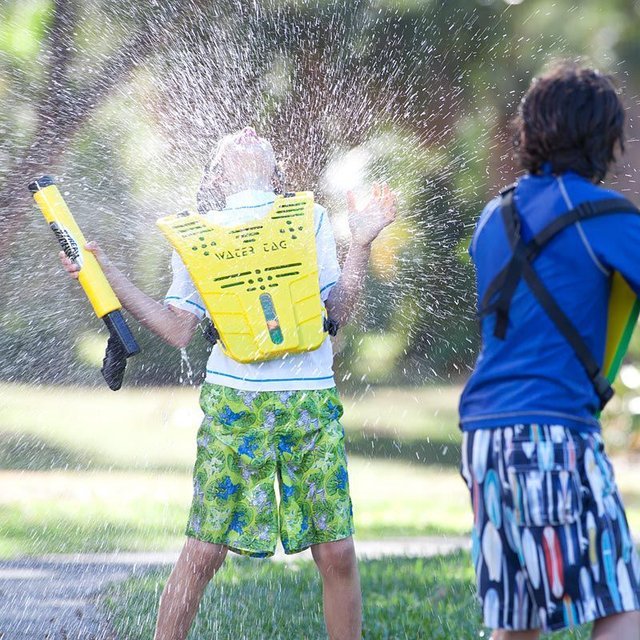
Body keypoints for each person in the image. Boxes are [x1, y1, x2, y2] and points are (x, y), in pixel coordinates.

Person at [60, 126, 396, 640]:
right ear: (216, 177)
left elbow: (337, 311)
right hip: (234, 403)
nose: (246, 131)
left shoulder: (309, 220)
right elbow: (177, 328)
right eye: (231, 142)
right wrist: (104, 272)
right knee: (203, 552)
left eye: (258, 138)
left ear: (277, 174)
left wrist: (361, 244)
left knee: (337, 551)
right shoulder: (200, 235)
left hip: (310, 399)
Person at [459, 62, 640, 640]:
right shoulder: (607, 218)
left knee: (518, 622)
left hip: (484, 438)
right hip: (553, 436)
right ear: (604, 138)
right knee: (620, 604)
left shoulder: (495, 217)